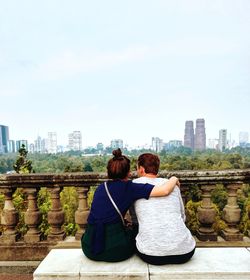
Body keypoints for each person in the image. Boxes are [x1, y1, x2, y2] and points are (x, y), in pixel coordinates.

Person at [81, 148, 180, 262]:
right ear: (128, 173)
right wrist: (174, 178)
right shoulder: (130, 187)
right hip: (116, 251)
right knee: (135, 232)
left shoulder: (101, 188)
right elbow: (165, 191)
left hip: (89, 247)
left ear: (109, 171)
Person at [131, 153, 196, 265]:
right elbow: (182, 216)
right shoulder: (172, 185)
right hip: (185, 252)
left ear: (141, 169)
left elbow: (135, 219)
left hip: (151, 255)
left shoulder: (134, 185)